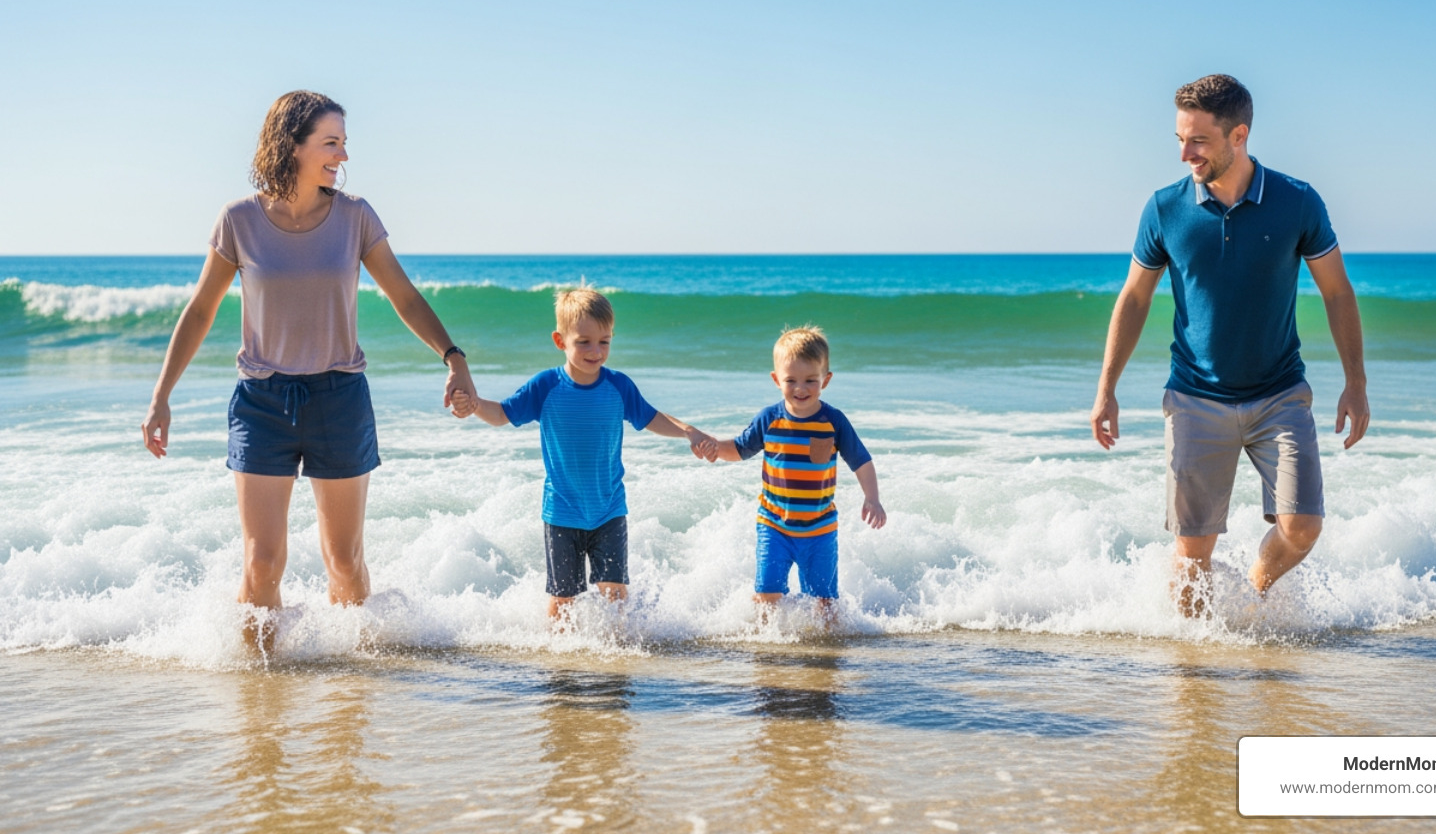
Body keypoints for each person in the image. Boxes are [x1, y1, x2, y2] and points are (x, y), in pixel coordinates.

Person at [141, 90, 480, 651]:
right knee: (262, 560)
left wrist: (454, 357)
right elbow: (200, 310)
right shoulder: (238, 221)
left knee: (344, 563)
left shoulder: (355, 218)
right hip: (261, 401)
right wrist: (161, 396)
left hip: (339, 397)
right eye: (330, 143)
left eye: (343, 143)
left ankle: (350, 700)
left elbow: (404, 295)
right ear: (291, 145)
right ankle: (259, 703)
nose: (342, 156)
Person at [1089, 74, 1369, 615]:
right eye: (1179, 139)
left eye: (1198, 140)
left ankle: (1251, 599)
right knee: (1193, 551)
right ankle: (1196, 673)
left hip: (1280, 394)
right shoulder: (1165, 209)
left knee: (1302, 527)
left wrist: (1355, 383)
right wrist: (1107, 389)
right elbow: (1134, 298)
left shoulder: (1297, 202)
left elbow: (1337, 291)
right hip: (1195, 397)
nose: (1184, 153)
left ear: (1238, 135)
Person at [453, 287, 716, 622]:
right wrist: (474, 405)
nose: (596, 351)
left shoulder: (618, 386)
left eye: (604, 341)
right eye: (584, 342)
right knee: (563, 599)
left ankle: (616, 662)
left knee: (615, 594)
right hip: (562, 513)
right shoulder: (546, 386)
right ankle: (560, 667)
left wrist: (688, 431)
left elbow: (652, 417)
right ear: (560, 341)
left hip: (609, 510)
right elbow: (502, 414)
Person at [709, 326, 886, 621]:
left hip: (820, 530)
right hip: (774, 525)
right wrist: (714, 447)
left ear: (825, 380)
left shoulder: (833, 421)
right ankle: (767, 654)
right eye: (791, 380)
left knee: (824, 601)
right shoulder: (770, 418)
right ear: (776, 379)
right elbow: (740, 449)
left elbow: (861, 461)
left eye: (810, 380)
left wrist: (873, 498)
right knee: (767, 595)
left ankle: (825, 656)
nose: (800, 389)